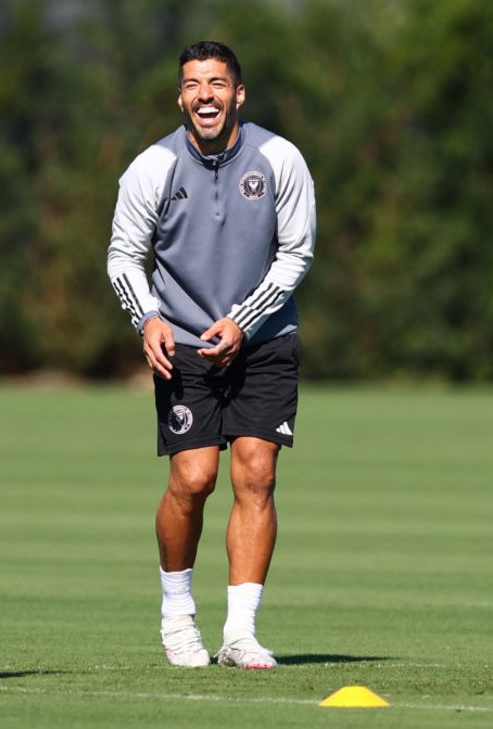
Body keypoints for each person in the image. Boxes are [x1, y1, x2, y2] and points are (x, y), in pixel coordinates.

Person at [107, 41, 316, 669]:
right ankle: (177, 617)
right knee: (193, 479)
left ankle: (241, 633)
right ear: (180, 97)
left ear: (238, 94)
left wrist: (245, 323)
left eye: (218, 83)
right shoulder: (151, 168)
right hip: (185, 344)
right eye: (194, 84)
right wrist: (145, 317)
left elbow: (296, 253)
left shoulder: (281, 158)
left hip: (265, 340)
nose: (206, 95)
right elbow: (124, 258)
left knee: (257, 474)